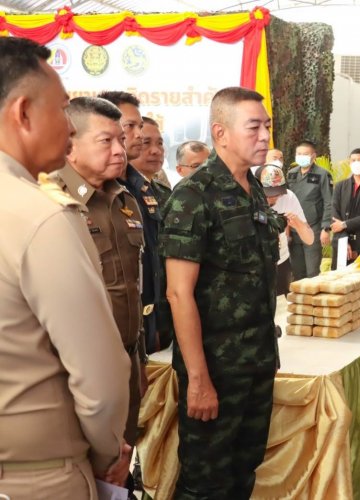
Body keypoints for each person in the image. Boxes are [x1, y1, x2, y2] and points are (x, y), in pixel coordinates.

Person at [0, 37, 130, 500]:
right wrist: (105, 452)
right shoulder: (40, 217)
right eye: (60, 110)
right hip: (39, 474)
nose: (68, 130)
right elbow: (100, 377)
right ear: (23, 113)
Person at [161, 87, 286, 499]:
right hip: (215, 367)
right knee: (205, 483)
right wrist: (197, 378)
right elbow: (179, 295)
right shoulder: (193, 197)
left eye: (266, 126)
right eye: (254, 127)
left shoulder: (255, 193)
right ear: (221, 132)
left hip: (256, 362)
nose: (265, 135)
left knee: (243, 470)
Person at [49, 96, 146, 493]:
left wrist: (136, 363)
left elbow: (134, 288)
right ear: (70, 143)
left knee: (118, 471)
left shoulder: (124, 200)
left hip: (123, 364)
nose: (121, 150)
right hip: (73, 377)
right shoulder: (52, 203)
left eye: (122, 139)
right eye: (106, 141)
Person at [100, 92, 166, 359]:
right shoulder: (98, 189)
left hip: (144, 323)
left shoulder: (143, 187)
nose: (138, 134)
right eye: (131, 126)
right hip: (108, 331)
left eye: (139, 126)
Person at [255, 164, 314, 296]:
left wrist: (298, 224)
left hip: (281, 262)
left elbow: (310, 239)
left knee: (282, 307)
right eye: (270, 193)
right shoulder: (247, 198)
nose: (275, 197)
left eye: (278, 192)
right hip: (255, 265)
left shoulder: (288, 197)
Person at [286, 140, 332, 279]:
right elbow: (286, 200)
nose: (301, 156)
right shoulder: (291, 174)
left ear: (313, 156)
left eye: (305, 154)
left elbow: (329, 201)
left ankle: (313, 300)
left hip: (313, 227)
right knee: (297, 271)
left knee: (312, 272)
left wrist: (326, 228)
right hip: (294, 228)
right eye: (299, 154)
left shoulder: (322, 174)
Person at [132, 116, 172, 207]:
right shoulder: (117, 193)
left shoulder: (165, 192)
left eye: (160, 143)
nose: (156, 151)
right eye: (146, 142)